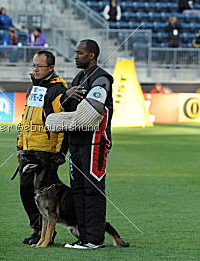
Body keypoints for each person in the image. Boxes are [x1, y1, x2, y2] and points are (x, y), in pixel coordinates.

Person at [45, 39, 114, 249]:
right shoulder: (79, 77)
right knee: (78, 190)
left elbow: (88, 117)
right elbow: (67, 108)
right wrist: (66, 94)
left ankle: (94, 239)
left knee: (92, 189)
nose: (75, 56)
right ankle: (84, 237)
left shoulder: (101, 78)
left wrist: (55, 121)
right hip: (77, 142)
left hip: (94, 142)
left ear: (91, 55)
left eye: (79, 53)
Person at [17, 50, 68, 245]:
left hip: (46, 152)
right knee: (26, 191)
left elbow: (62, 123)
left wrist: (58, 152)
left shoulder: (58, 90)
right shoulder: (34, 88)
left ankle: (44, 233)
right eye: (34, 65)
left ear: (51, 68)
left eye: (39, 66)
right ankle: (39, 230)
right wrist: (20, 145)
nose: (35, 69)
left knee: (44, 194)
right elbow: (25, 119)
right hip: (29, 149)